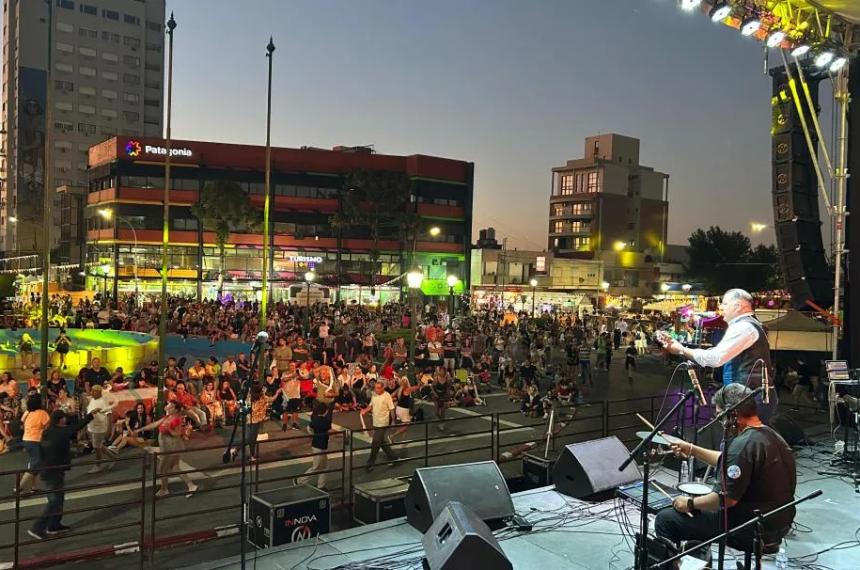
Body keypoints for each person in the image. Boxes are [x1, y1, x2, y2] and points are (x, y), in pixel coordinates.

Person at [655, 384, 796, 559]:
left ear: (732, 414)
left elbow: (725, 499)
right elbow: (728, 458)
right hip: (779, 520)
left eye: (720, 415)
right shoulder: (771, 435)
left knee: (666, 519)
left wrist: (689, 504)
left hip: (750, 526)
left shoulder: (741, 446)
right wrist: (691, 449)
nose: (720, 420)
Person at [660, 289, 778, 424]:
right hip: (750, 396)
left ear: (738, 306)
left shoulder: (744, 327)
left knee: (743, 442)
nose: (721, 307)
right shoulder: (749, 324)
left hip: (751, 398)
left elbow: (715, 358)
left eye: (725, 304)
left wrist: (681, 349)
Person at [27, 407, 102, 540]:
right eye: (64, 417)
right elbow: (77, 427)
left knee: (58, 498)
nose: (66, 419)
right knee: (54, 500)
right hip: (53, 470)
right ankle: (37, 527)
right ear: (61, 420)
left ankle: (54, 525)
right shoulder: (61, 432)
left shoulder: (48, 432)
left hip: (49, 469)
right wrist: (90, 415)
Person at [133, 402, 198, 498]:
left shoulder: (177, 419)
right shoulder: (167, 417)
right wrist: (139, 430)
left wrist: (169, 430)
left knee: (163, 468)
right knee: (174, 467)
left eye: (169, 406)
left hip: (172, 446)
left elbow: (178, 433)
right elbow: (154, 424)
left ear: (175, 409)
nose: (167, 406)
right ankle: (190, 486)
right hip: (167, 446)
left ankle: (164, 489)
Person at [361, 381, 398, 471]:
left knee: (375, 442)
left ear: (382, 388)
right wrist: (365, 410)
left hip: (383, 422)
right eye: (375, 388)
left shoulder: (387, 396)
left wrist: (393, 420)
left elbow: (392, 408)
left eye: (378, 388)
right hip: (376, 422)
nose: (376, 390)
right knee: (381, 442)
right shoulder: (374, 395)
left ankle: (370, 463)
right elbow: (371, 405)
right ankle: (393, 457)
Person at [296, 402, 333, 489]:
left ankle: (321, 485)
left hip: (316, 444)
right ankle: (299, 481)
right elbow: (329, 429)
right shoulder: (325, 421)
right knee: (316, 467)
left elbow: (309, 428)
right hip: (321, 445)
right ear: (325, 411)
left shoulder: (315, 419)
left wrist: (313, 434)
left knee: (325, 466)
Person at [18, 396, 50, 494]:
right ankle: (19, 488)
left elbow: (22, 421)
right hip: (35, 440)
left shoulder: (28, 412)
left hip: (26, 439)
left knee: (35, 462)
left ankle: (34, 487)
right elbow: (47, 426)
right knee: (35, 463)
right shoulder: (42, 413)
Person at [85, 385, 116, 473]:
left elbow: (109, 415)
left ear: (99, 392)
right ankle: (113, 458)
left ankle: (98, 465)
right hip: (92, 427)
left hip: (100, 428)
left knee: (97, 447)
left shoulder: (103, 402)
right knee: (99, 445)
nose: (92, 392)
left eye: (94, 391)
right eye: (92, 391)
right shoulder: (92, 400)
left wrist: (109, 429)